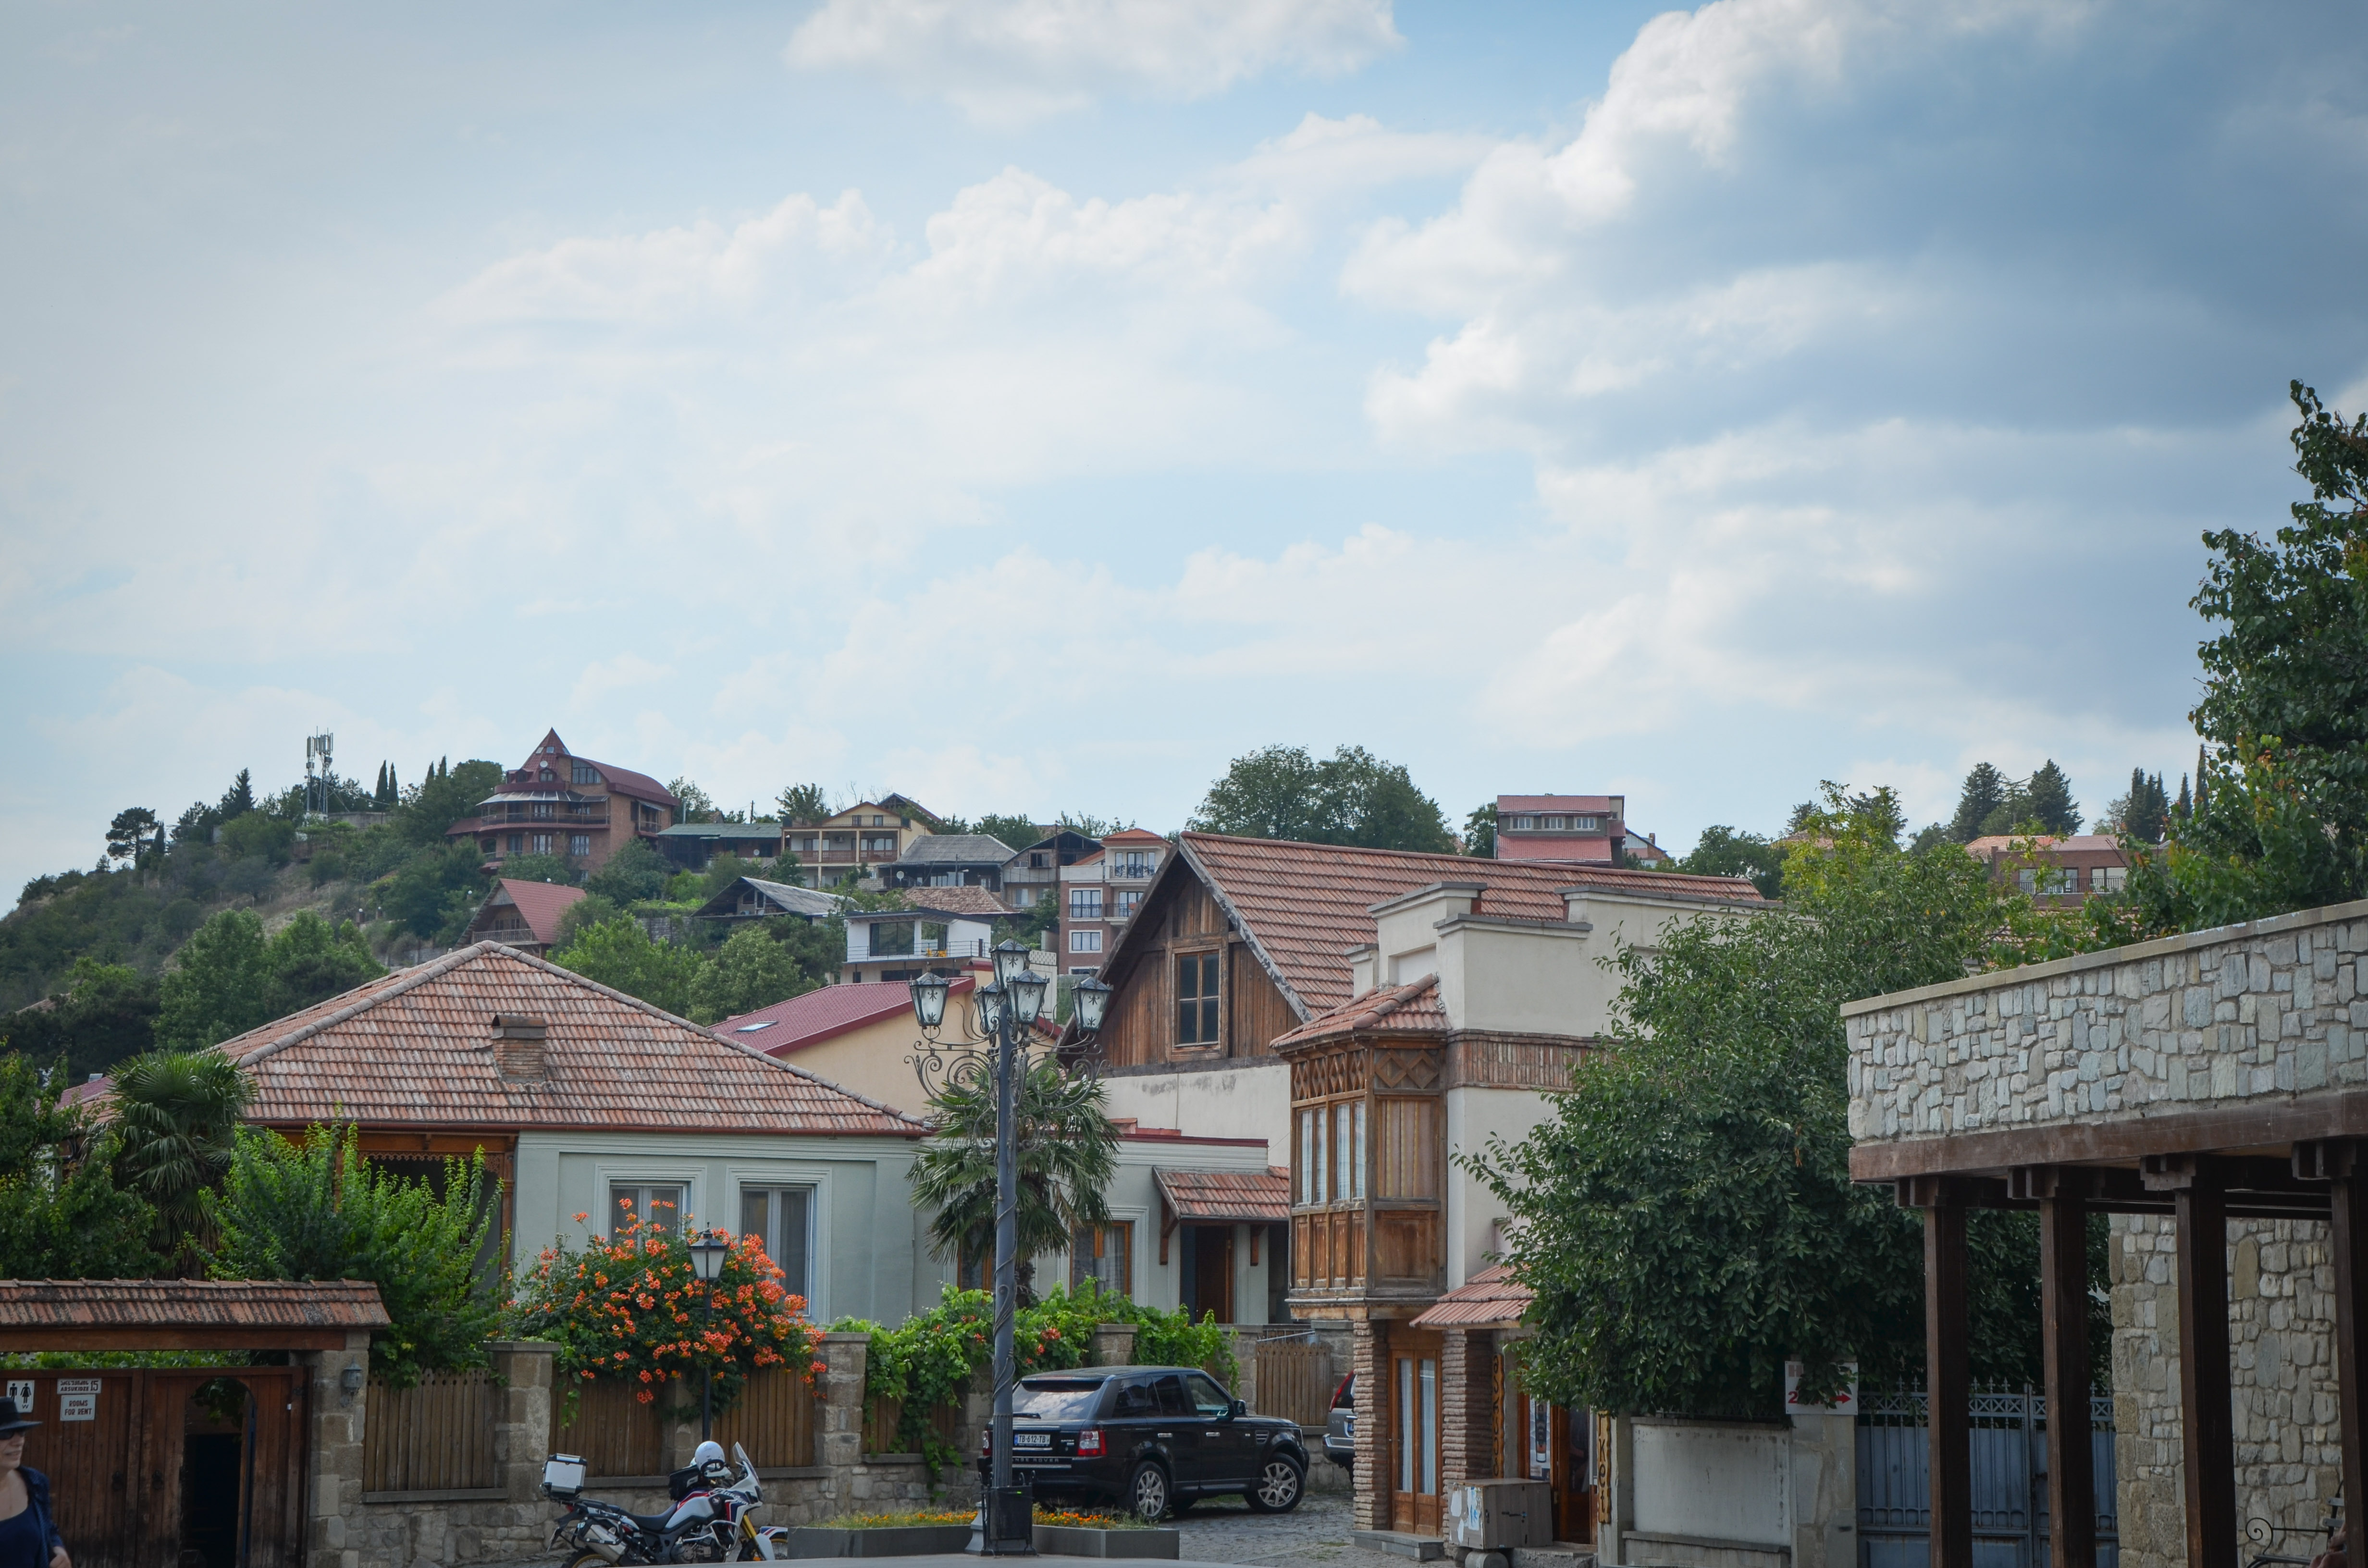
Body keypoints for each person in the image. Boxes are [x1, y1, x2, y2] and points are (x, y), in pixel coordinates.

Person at [0, 1396, 69, 1568]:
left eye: (21, 1432)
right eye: (6, 1434)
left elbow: (49, 1529)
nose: (18, 1441)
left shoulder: (35, 1483)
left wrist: (59, 1550)